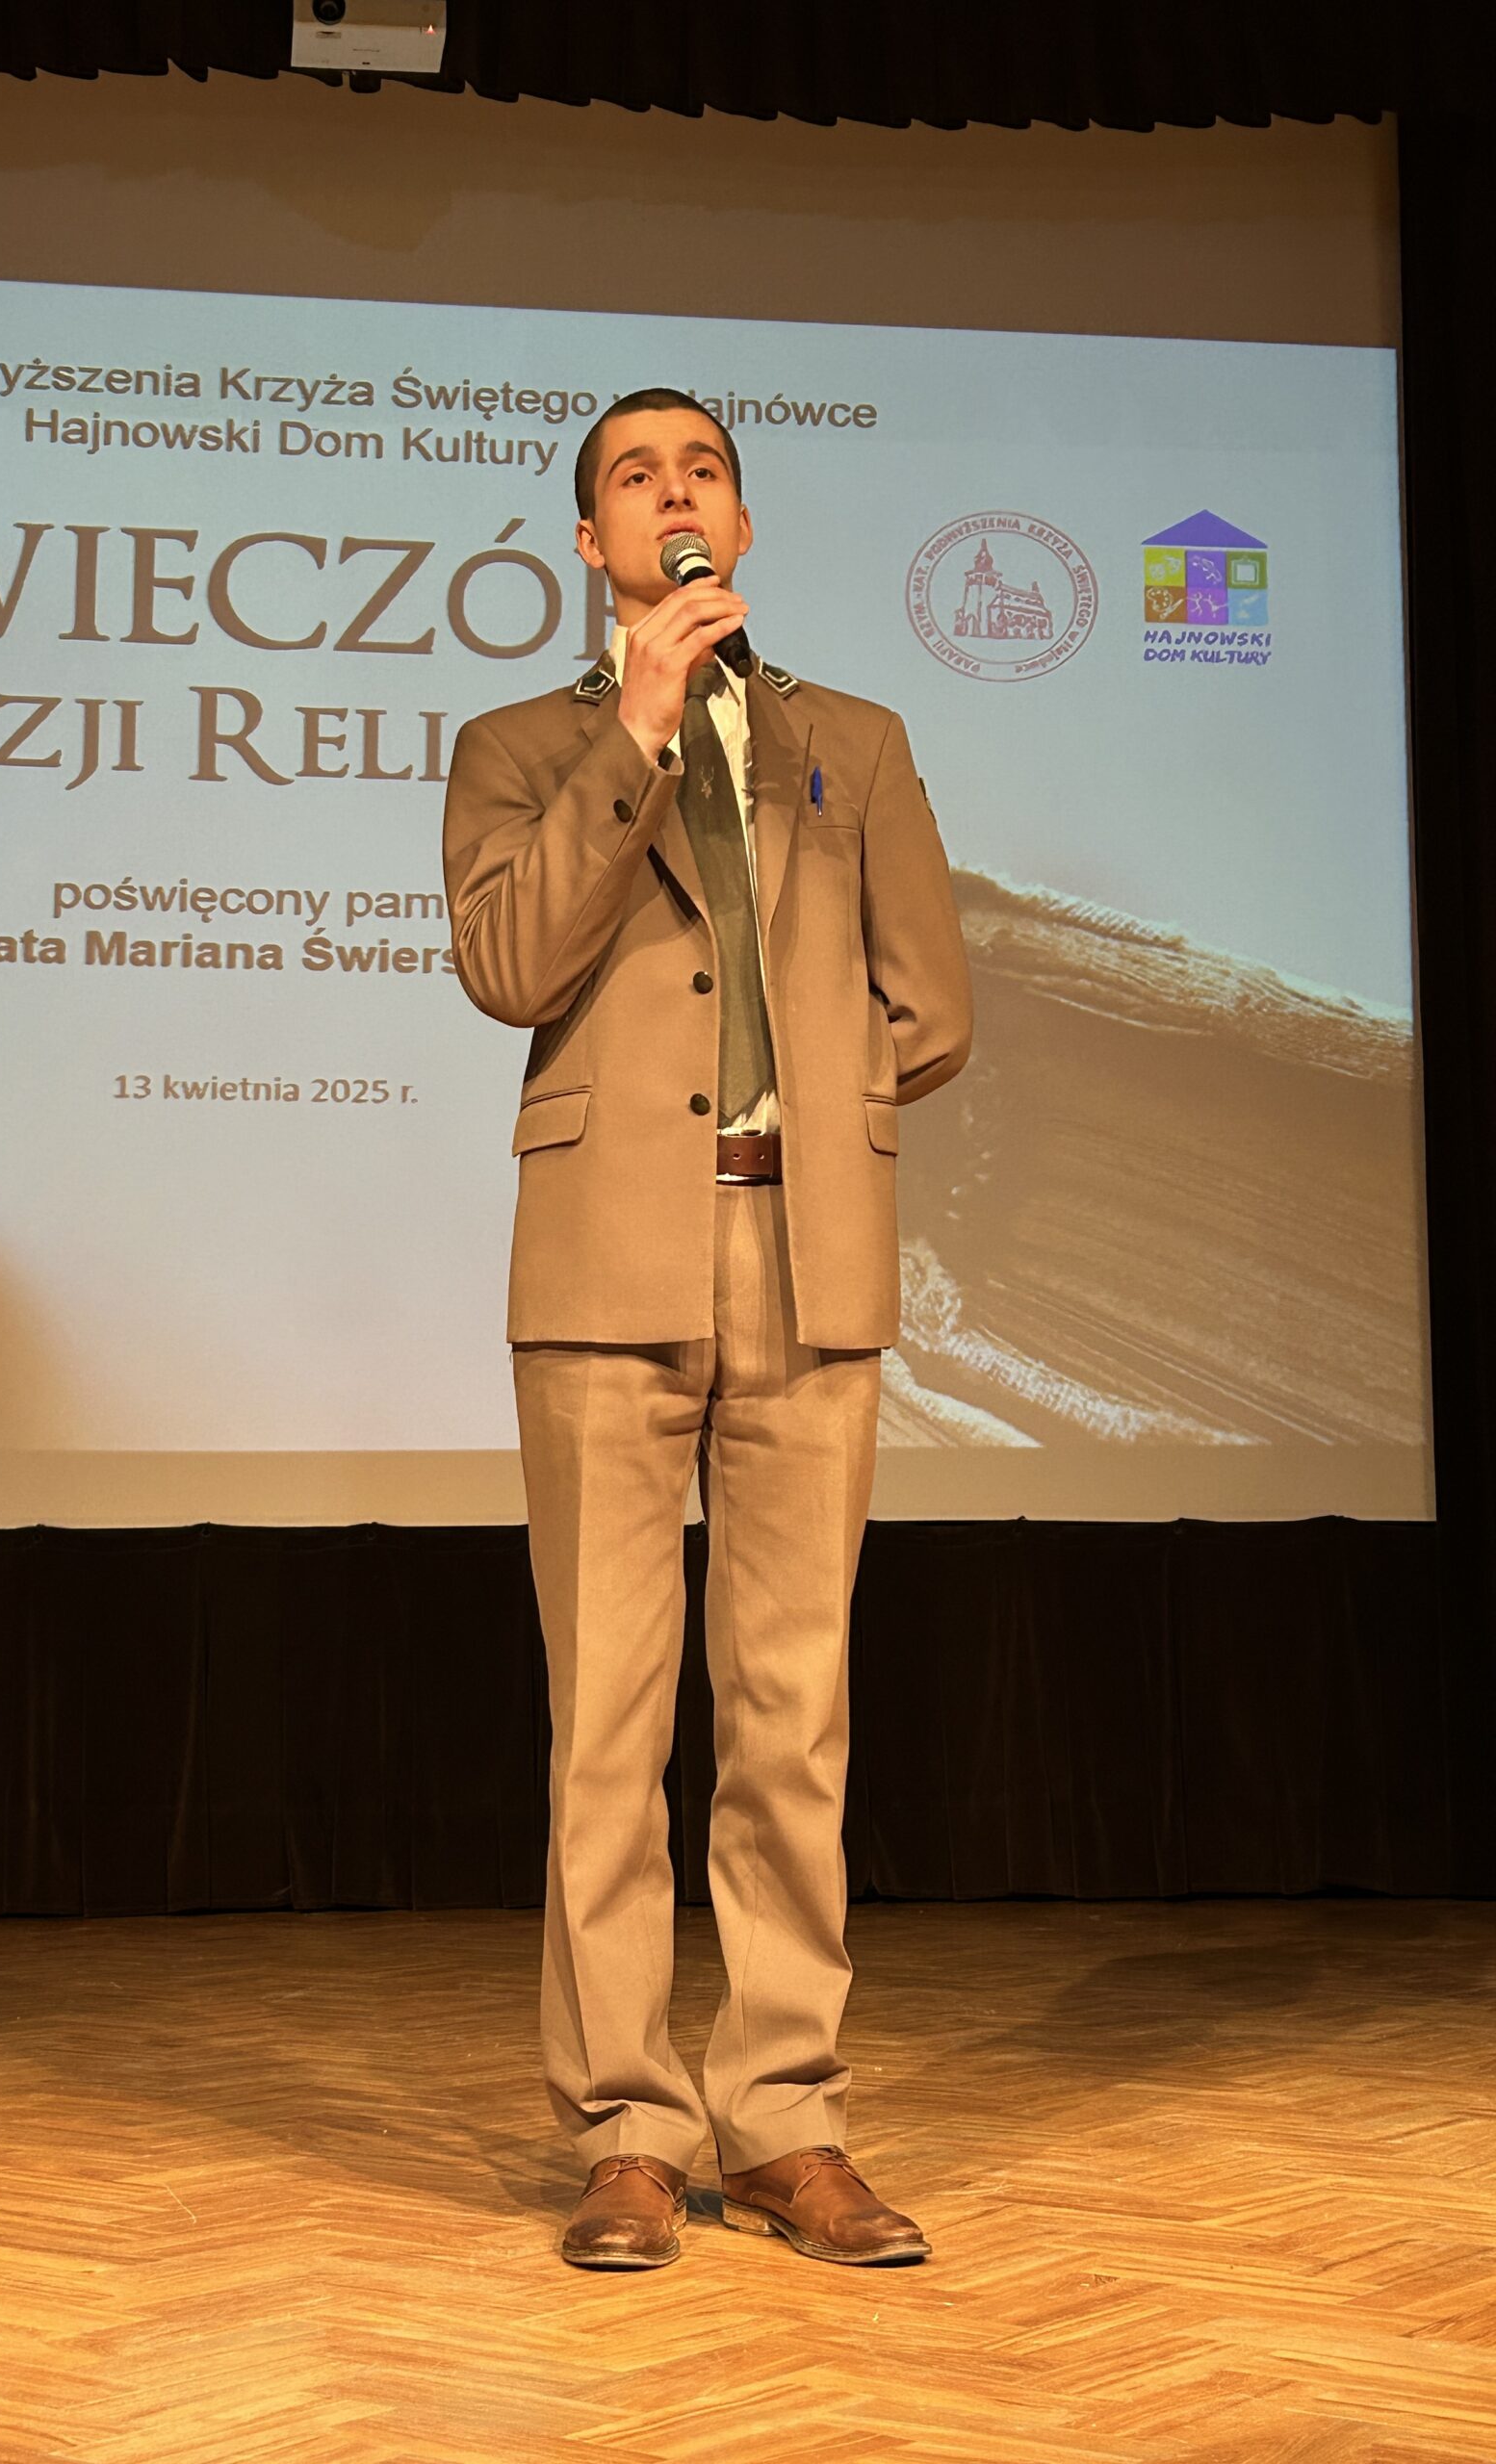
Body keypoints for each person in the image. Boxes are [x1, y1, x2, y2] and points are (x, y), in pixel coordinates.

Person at [442, 388, 972, 2270]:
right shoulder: (520, 747)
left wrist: (813, 1111)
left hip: (805, 1253)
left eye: (704, 472)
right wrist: (642, 730)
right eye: (635, 477)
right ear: (595, 544)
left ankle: (785, 2118)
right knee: (608, 1723)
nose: (675, 496)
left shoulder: (857, 743)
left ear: (740, 523)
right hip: (605, 1261)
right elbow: (511, 962)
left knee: (791, 1720)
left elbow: (932, 1005)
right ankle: (629, 2131)